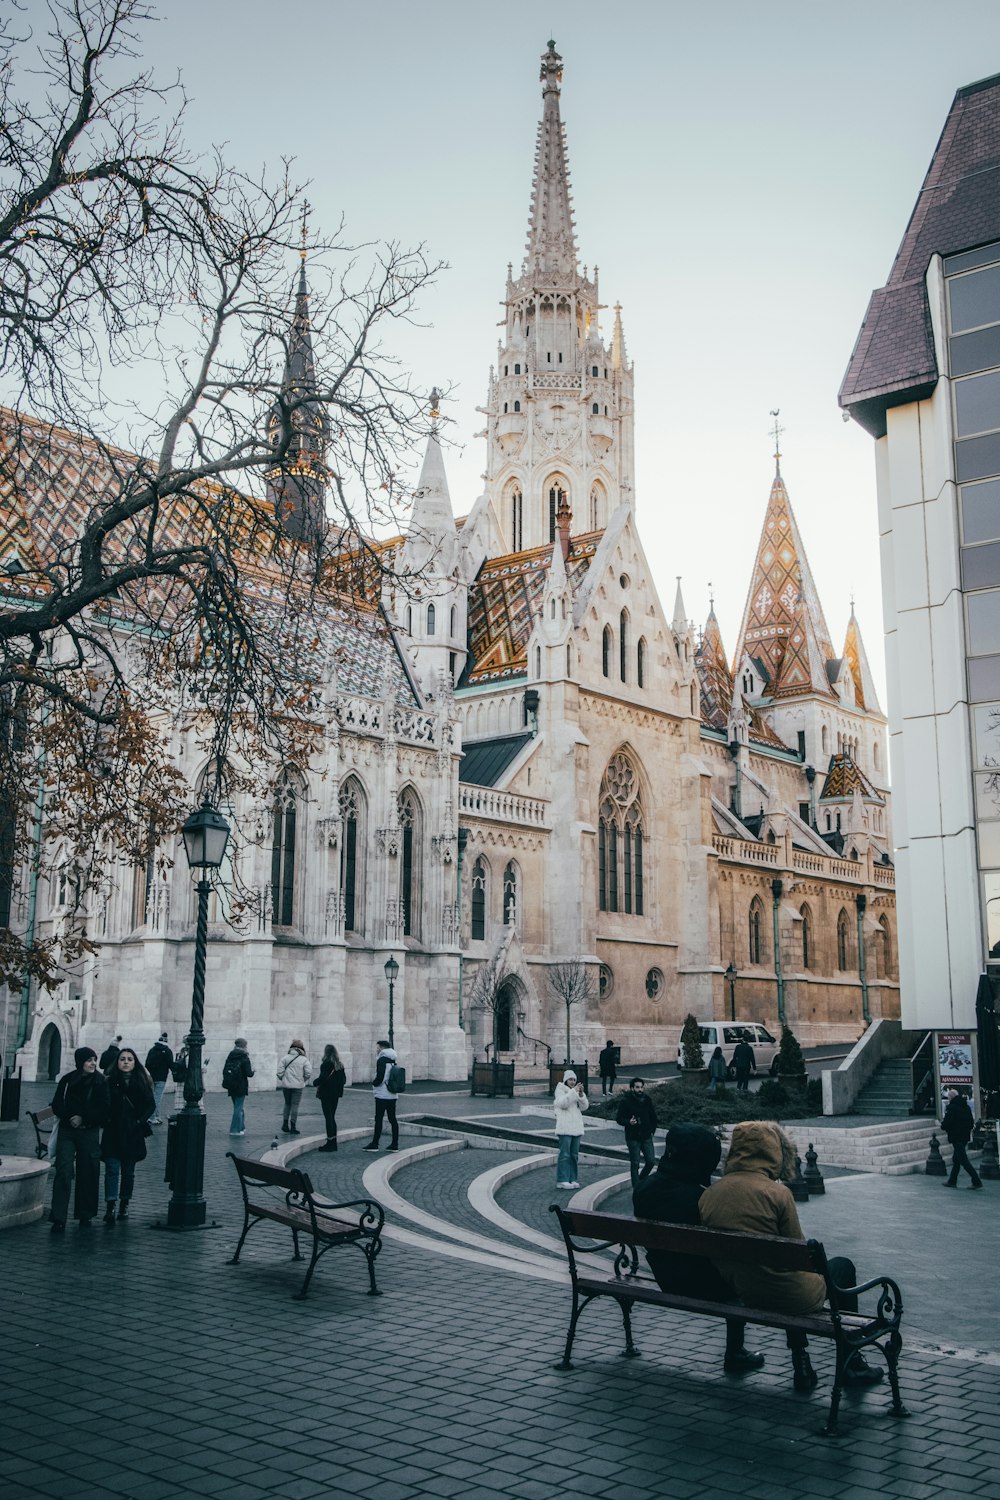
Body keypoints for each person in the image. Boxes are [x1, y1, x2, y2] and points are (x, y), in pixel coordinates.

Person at [700, 1120, 884, 1392]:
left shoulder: (711, 1194)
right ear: (771, 1151)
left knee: (780, 1274)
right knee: (839, 1268)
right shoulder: (776, 1193)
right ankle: (850, 1360)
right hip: (788, 1296)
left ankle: (802, 1359)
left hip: (743, 1291)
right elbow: (799, 1254)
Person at [633, 1123, 764, 1375]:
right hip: (709, 1285)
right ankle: (735, 1352)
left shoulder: (644, 1189)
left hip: (666, 1277)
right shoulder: (702, 1198)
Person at [49, 1047, 111, 1234]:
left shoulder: (100, 1082)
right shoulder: (68, 1080)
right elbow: (57, 1103)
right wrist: (70, 1117)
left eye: (94, 1059)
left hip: (89, 1132)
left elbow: (105, 1109)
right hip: (67, 1131)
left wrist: (83, 1118)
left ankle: (86, 1214)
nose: (93, 1063)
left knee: (89, 1171)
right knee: (63, 1171)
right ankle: (59, 1217)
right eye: (89, 1060)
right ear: (80, 1062)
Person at [100, 1047, 155, 1224]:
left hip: (132, 1132)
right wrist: (106, 1119)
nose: (125, 1062)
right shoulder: (109, 1081)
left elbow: (150, 1105)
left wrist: (139, 1122)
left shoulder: (141, 1081)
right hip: (113, 1132)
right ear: (117, 1062)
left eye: (129, 1059)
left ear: (134, 1062)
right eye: (122, 1059)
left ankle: (124, 1203)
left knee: (128, 1172)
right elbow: (102, 1103)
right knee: (112, 1170)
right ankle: (110, 1206)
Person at [616, 1077, 658, 1189]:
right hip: (632, 1136)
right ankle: (636, 1188)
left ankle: (640, 1180)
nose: (640, 1089)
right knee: (635, 1163)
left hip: (646, 1135)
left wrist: (652, 1131)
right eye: (637, 1087)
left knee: (651, 1161)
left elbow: (653, 1117)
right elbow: (619, 1119)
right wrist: (629, 1122)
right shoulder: (626, 1101)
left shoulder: (647, 1099)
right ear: (632, 1088)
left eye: (641, 1087)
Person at [553, 1068, 589, 1188]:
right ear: (565, 1080)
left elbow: (585, 1107)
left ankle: (572, 1178)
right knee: (565, 1154)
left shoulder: (574, 1092)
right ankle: (562, 1180)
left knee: (574, 1155)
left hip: (576, 1127)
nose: (573, 1081)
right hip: (565, 1127)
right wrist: (573, 1092)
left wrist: (581, 1095)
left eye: (574, 1079)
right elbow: (563, 1104)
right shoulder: (560, 1090)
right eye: (570, 1079)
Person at [941, 1089, 983, 1189]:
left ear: (950, 1098)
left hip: (956, 1137)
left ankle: (976, 1181)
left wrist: (943, 1125)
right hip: (964, 1137)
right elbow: (970, 1123)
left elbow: (946, 1124)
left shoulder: (952, 1108)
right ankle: (952, 1181)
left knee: (963, 1160)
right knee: (956, 1159)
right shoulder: (966, 1107)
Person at [363, 1040, 400, 1151]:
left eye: (378, 1047)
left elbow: (380, 1077)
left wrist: (373, 1083)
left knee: (378, 1118)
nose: (377, 1049)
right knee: (392, 1119)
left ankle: (375, 1144)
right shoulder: (393, 1059)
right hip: (392, 1093)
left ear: (382, 1048)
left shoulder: (382, 1060)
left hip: (382, 1094)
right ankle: (395, 1144)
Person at [315, 1044, 346, 1152]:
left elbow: (323, 1077)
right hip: (335, 1095)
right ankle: (333, 1142)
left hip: (326, 1094)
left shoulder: (326, 1064)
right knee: (332, 1117)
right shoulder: (340, 1065)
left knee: (328, 1118)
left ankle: (330, 1143)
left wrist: (315, 1082)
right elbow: (344, 1080)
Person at [277, 1039, 311, 1134]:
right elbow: (308, 1073)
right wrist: (302, 1080)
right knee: (295, 1105)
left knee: (287, 1104)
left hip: (286, 1085)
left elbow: (279, 1072)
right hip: (298, 1086)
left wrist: (283, 1079)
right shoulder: (304, 1059)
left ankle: (284, 1124)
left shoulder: (285, 1058)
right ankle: (293, 1126)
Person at [222, 1038, 254, 1137]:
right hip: (241, 1085)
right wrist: (253, 1071)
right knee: (238, 1108)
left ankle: (241, 1127)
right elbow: (249, 1073)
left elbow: (224, 1070)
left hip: (231, 1084)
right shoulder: (244, 1057)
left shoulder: (230, 1056)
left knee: (238, 1106)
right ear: (244, 1046)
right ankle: (234, 1129)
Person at [144, 1032, 174, 1123]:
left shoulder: (152, 1050)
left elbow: (147, 1064)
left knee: (153, 1096)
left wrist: (151, 1072)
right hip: (162, 1078)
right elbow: (170, 1064)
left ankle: (156, 1115)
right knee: (157, 1098)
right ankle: (152, 1117)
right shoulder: (167, 1051)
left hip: (152, 1077)